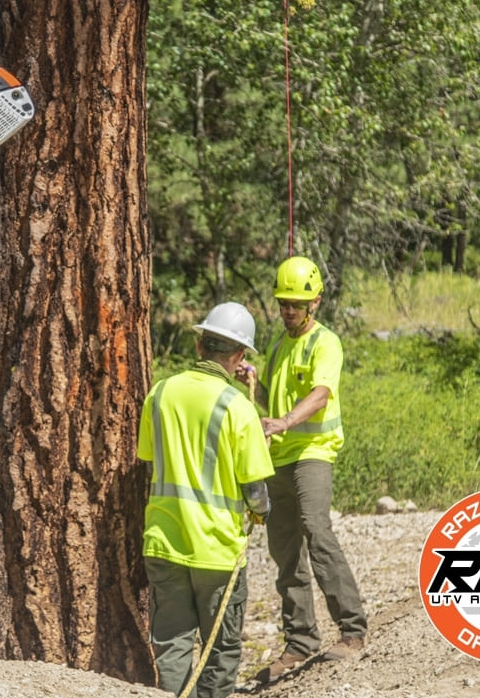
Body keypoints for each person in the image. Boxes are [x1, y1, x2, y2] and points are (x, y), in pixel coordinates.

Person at [137, 302, 274, 698]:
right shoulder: (238, 408)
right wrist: (262, 512)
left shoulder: (160, 394)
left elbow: (151, 461)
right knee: (221, 648)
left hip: (163, 542)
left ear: (200, 347)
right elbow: (255, 491)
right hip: (216, 551)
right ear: (239, 356)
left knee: (173, 645)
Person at [248, 256, 368, 684]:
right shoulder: (279, 346)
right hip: (278, 457)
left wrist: (283, 422)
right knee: (285, 551)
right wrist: (251, 383)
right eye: (283, 302)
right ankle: (300, 641)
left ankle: (353, 630)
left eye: (296, 303)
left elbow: (319, 395)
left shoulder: (325, 343)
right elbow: (272, 402)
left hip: (313, 452)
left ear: (315, 301)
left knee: (317, 531)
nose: (288, 310)